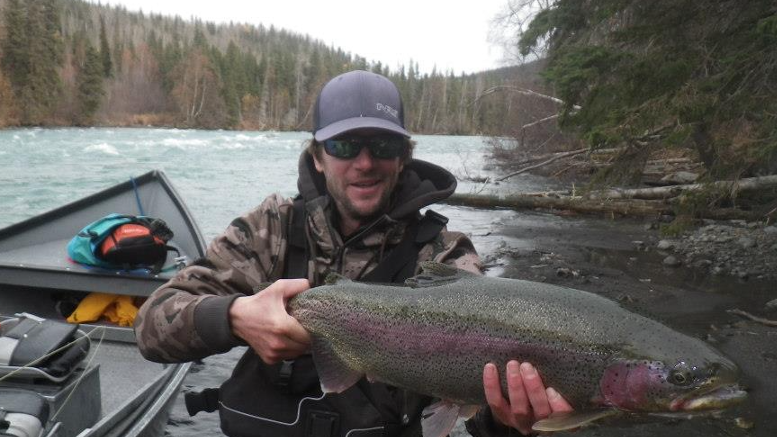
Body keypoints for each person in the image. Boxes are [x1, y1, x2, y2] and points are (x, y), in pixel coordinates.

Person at [134, 70, 571, 437]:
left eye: (382, 146)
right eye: (344, 145)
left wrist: (512, 422)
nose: (364, 162)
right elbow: (151, 327)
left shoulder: (443, 254)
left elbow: (473, 405)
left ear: (403, 157)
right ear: (318, 158)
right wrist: (234, 317)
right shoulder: (270, 229)